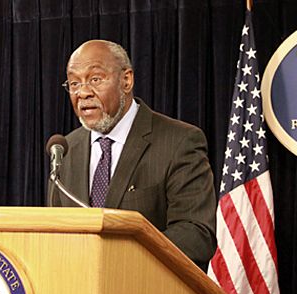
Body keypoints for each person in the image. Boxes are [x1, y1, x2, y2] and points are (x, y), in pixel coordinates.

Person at [49, 39, 216, 272]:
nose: (83, 92)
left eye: (95, 79)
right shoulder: (65, 149)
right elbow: (55, 233)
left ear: (126, 80)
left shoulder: (179, 141)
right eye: (74, 83)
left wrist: (119, 261)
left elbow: (195, 235)